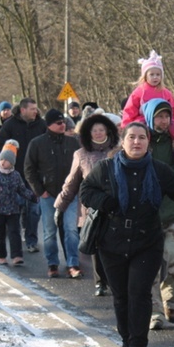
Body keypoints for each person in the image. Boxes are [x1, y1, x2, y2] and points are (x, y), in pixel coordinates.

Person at [79, 122, 174, 347]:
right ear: (122, 142)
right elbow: (86, 190)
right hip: (112, 242)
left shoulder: (159, 170)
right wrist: (105, 202)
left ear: (148, 142)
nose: (136, 142)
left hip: (147, 241)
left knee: (139, 293)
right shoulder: (105, 169)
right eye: (132, 137)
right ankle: (126, 340)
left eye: (141, 138)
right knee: (121, 297)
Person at [141, 99, 174, 329]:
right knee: (148, 265)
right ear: (149, 118)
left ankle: (170, 300)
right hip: (147, 214)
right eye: (158, 116)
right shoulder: (141, 141)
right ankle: (153, 310)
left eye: (166, 116)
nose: (163, 121)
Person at [54, 113, 120, 294]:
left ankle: (114, 279)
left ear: (107, 131)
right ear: (88, 133)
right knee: (97, 247)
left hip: (116, 207)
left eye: (101, 130)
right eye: (94, 130)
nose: (98, 133)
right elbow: (72, 182)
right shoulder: (81, 154)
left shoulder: (119, 151)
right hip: (92, 209)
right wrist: (60, 205)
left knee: (114, 246)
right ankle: (100, 282)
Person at [24, 108, 81, 278]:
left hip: (69, 194)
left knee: (71, 229)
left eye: (63, 121)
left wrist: (77, 188)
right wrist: (40, 191)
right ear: (49, 124)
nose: (62, 125)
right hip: (48, 194)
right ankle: (52, 263)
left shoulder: (72, 143)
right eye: (58, 122)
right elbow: (29, 169)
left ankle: (73, 263)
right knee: (49, 231)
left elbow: (80, 168)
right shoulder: (37, 143)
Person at [0, 98, 46, 253]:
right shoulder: (10, 125)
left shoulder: (41, 125)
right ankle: (15, 241)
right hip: (14, 175)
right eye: (32, 108)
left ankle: (31, 240)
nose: (35, 111)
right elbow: (1, 150)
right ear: (23, 110)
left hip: (35, 176)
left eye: (36, 108)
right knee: (14, 209)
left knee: (33, 210)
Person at [121, 50, 174, 162]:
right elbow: (129, 110)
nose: (155, 77)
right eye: (151, 74)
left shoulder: (165, 92)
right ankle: (147, 149)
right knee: (140, 127)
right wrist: (126, 126)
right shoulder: (139, 92)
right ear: (145, 76)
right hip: (144, 119)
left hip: (163, 118)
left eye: (158, 74)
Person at [0, 140, 36, 266]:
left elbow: (21, 189)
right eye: (2, 160)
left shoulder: (15, 175)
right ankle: (1, 255)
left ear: (12, 162)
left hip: (13, 209)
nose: (3, 163)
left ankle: (17, 255)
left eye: (7, 160)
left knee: (15, 232)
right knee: (0, 234)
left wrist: (32, 196)